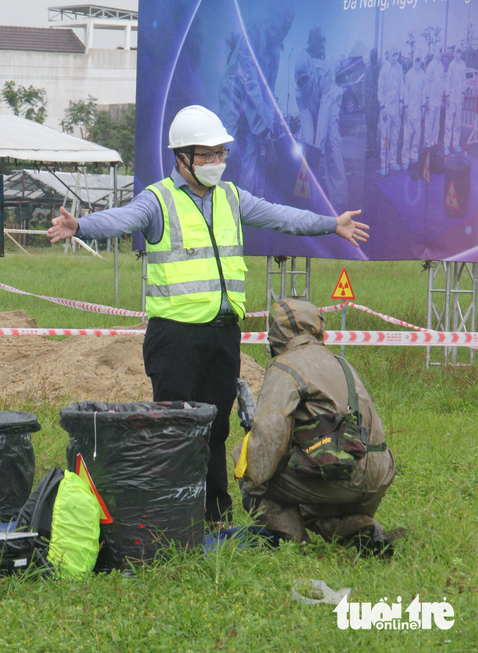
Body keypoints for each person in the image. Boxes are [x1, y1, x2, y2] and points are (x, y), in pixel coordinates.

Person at [46, 105, 368, 525]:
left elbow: (281, 216)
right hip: (175, 338)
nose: (216, 162)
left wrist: (330, 223)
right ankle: (172, 515)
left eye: (221, 154)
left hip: (221, 336)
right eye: (206, 155)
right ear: (181, 158)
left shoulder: (232, 198)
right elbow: (122, 219)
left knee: (215, 429)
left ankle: (215, 516)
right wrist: (82, 226)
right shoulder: (158, 199)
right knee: (174, 429)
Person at [232, 298, 397, 554]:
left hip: (342, 473)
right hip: (378, 473)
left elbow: (269, 436)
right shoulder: (342, 363)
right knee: (314, 492)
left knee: (249, 464)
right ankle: (362, 530)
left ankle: (292, 545)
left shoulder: (286, 366)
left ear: (277, 333)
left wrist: (252, 480)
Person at [217, 6, 294, 195]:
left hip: (255, 103)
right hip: (234, 96)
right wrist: (266, 136)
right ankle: (216, 200)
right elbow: (250, 85)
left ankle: (244, 209)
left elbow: (268, 93)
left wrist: (270, 126)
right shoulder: (252, 37)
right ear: (273, 21)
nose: (283, 33)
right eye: (281, 27)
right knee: (230, 149)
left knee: (251, 154)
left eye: (287, 29)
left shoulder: (275, 53)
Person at [294, 50, 349, 205]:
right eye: (300, 81)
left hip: (330, 104)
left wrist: (319, 145)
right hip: (312, 110)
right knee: (308, 146)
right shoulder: (299, 94)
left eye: (306, 80)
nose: (303, 83)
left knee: (332, 145)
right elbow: (306, 118)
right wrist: (312, 148)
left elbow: (325, 109)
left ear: (311, 73)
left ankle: (340, 200)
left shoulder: (323, 72)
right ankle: (310, 197)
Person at [377, 49, 404, 175]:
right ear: (388, 54)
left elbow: (401, 87)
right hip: (386, 109)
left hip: (396, 109)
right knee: (385, 137)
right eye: (393, 54)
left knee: (395, 136)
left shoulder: (399, 68)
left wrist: (401, 102)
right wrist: (382, 107)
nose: (394, 56)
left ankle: (393, 161)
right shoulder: (384, 69)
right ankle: (384, 163)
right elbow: (380, 90)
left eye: (396, 53)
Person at [403, 57, 427, 170]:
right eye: (416, 59)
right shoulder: (408, 75)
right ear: (413, 60)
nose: (417, 62)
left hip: (418, 110)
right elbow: (405, 91)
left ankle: (414, 156)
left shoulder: (423, 74)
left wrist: (423, 107)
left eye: (419, 60)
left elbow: (423, 91)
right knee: (407, 136)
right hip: (410, 110)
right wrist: (406, 107)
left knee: (417, 134)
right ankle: (405, 159)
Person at [444, 47, 467, 155]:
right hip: (451, 98)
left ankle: (455, 144)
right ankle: (446, 146)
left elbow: (464, 81)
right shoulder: (451, 65)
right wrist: (447, 95)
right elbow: (447, 81)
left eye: (460, 52)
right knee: (449, 123)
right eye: (457, 52)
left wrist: (463, 93)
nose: (458, 54)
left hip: (459, 99)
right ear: (454, 53)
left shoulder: (463, 65)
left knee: (457, 123)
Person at [424, 50, 445, 151]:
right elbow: (427, 84)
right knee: (429, 122)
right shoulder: (431, 66)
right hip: (431, 99)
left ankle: (434, 142)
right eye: (438, 50)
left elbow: (442, 82)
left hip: (438, 99)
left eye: (441, 51)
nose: (439, 53)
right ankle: (427, 143)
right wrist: (427, 99)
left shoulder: (441, 65)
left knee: (436, 123)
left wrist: (442, 95)